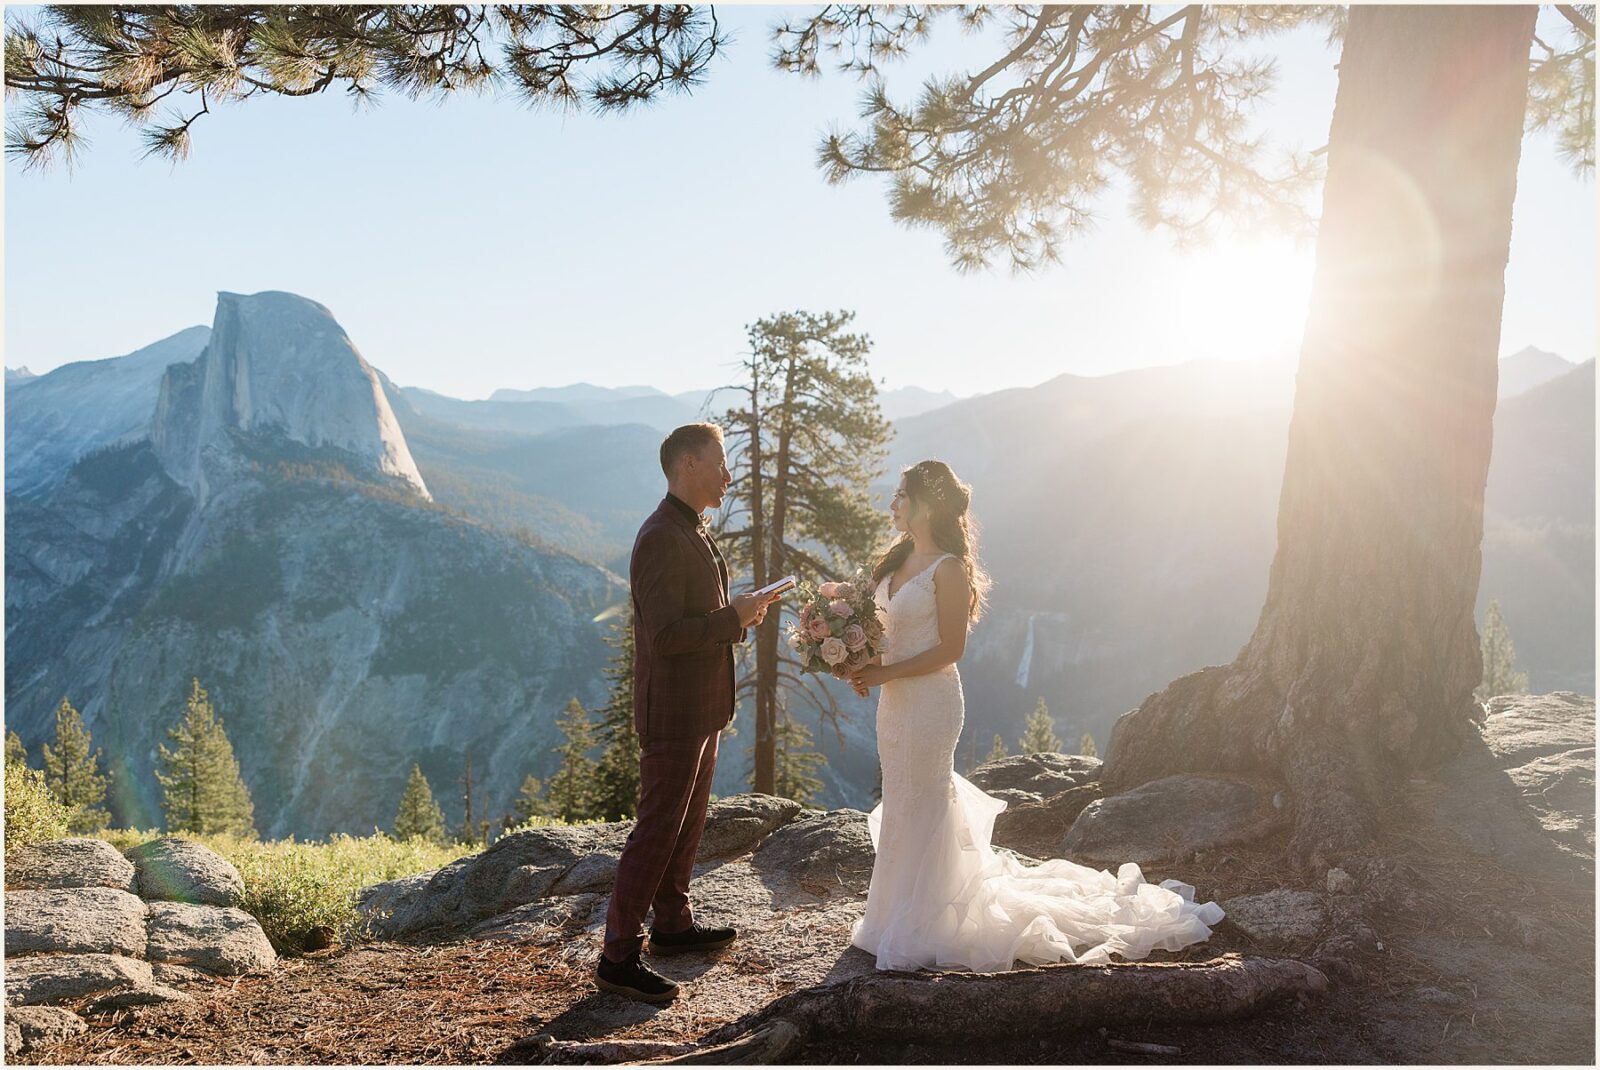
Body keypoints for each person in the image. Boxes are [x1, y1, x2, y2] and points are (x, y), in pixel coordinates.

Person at [847, 459, 1224, 972]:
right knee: (902, 795)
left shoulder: (948, 569)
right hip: (894, 706)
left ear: (926, 505)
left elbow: (951, 649)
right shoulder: (894, 562)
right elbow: (887, 630)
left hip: (931, 702)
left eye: (900, 495)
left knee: (925, 797)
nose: (892, 503)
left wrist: (887, 673)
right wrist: (860, 659)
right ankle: (893, 913)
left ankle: (928, 917)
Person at [594, 422, 780, 1004]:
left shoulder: (692, 528)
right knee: (656, 828)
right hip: (673, 713)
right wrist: (734, 618)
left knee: (687, 822)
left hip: (702, 707)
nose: (729, 475)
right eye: (721, 463)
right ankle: (617, 956)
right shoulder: (659, 536)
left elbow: (698, 615)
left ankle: (672, 925)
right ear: (687, 466)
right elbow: (666, 635)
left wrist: (741, 613)